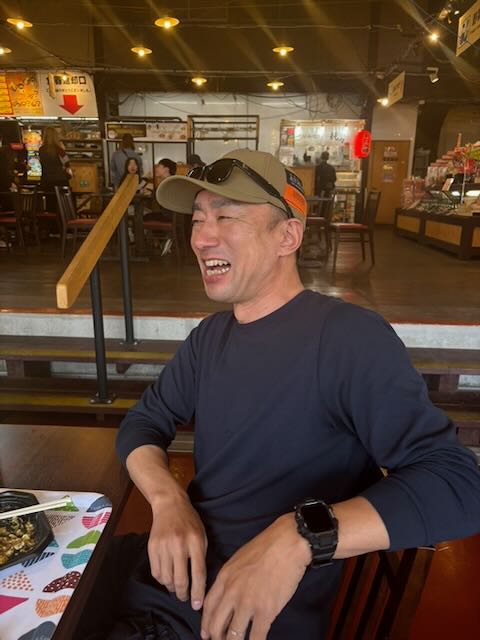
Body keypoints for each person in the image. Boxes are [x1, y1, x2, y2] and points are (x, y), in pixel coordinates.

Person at [78, 149, 480, 640]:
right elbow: (144, 422)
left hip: (231, 613)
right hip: (167, 569)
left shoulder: (348, 339)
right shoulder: (211, 337)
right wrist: (168, 501)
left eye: (226, 217)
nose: (201, 238)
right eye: (198, 219)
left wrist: (302, 535)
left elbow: (458, 484)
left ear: (287, 236)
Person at [38, 127, 72, 210]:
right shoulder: (60, 150)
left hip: (46, 180)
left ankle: (50, 216)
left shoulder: (41, 150)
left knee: (50, 204)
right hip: (60, 180)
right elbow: (67, 163)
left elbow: (40, 164)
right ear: (56, 136)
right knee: (61, 205)